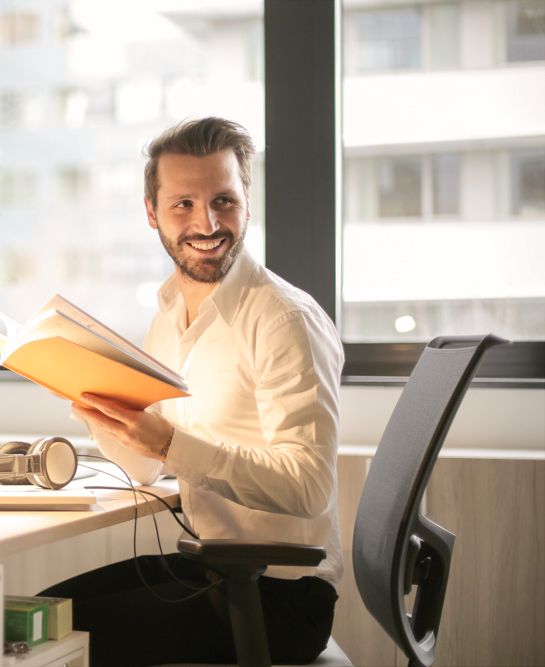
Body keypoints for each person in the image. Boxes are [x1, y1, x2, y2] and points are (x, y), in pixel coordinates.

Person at [39, 117, 344, 666]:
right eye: (183, 204)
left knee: (42, 642)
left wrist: (168, 443)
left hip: (279, 597)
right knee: (34, 614)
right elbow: (146, 470)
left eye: (223, 200)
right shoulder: (169, 314)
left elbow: (308, 486)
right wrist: (98, 410)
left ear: (247, 201)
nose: (207, 222)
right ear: (152, 213)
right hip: (211, 567)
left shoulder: (283, 319)